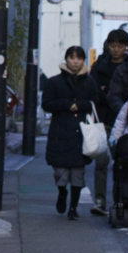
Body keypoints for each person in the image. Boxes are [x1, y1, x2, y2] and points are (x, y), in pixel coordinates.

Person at [40, 46, 98, 218]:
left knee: (78, 174)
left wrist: (79, 105)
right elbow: (47, 104)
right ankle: (62, 192)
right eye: (72, 57)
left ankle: (73, 208)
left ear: (83, 61)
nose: (75, 61)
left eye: (79, 58)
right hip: (60, 131)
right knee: (61, 172)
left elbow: (95, 102)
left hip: (82, 133)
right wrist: (66, 104)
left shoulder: (90, 82)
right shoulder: (54, 81)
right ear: (66, 59)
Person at [87, 29, 128, 214]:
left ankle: (119, 199)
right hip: (103, 118)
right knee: (101, 161)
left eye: (120, 46)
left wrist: (108, 92)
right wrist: (110, 94)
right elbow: (93, 90)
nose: (116, 49)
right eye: (113, 45)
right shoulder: (100, 65)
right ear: (108, 44)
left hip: (124, 121)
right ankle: (100, 201)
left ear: (125, 46)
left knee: (121, 162)